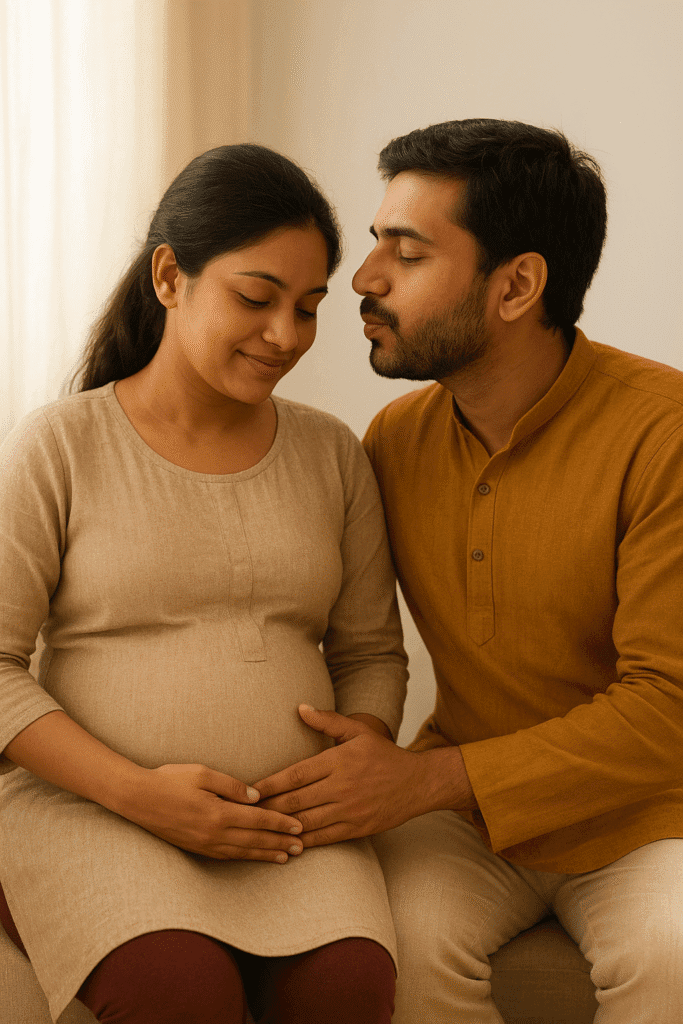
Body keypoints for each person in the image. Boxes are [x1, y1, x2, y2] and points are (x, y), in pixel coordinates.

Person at [253, 120, 683, 1022]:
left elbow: (666, 708)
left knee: (671, 955)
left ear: (516, 285)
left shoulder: (663, 431)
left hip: (651, 814)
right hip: (466, 825)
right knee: (382, 948)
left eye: (407, 254)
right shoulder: (394, 441)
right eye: (376, 243)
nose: (364, 279)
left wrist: (426, 781)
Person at [0, 143, 407, 1024]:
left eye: (307, 308)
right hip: (97, 815)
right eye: (256, 299)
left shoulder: (332, 453)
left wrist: (359, 752)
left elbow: (372, 652)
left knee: (349, 988)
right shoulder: (61, 444)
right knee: (178, 992)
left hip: (290, 833)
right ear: (169, 277)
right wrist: (138, 792)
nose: (285, 336)